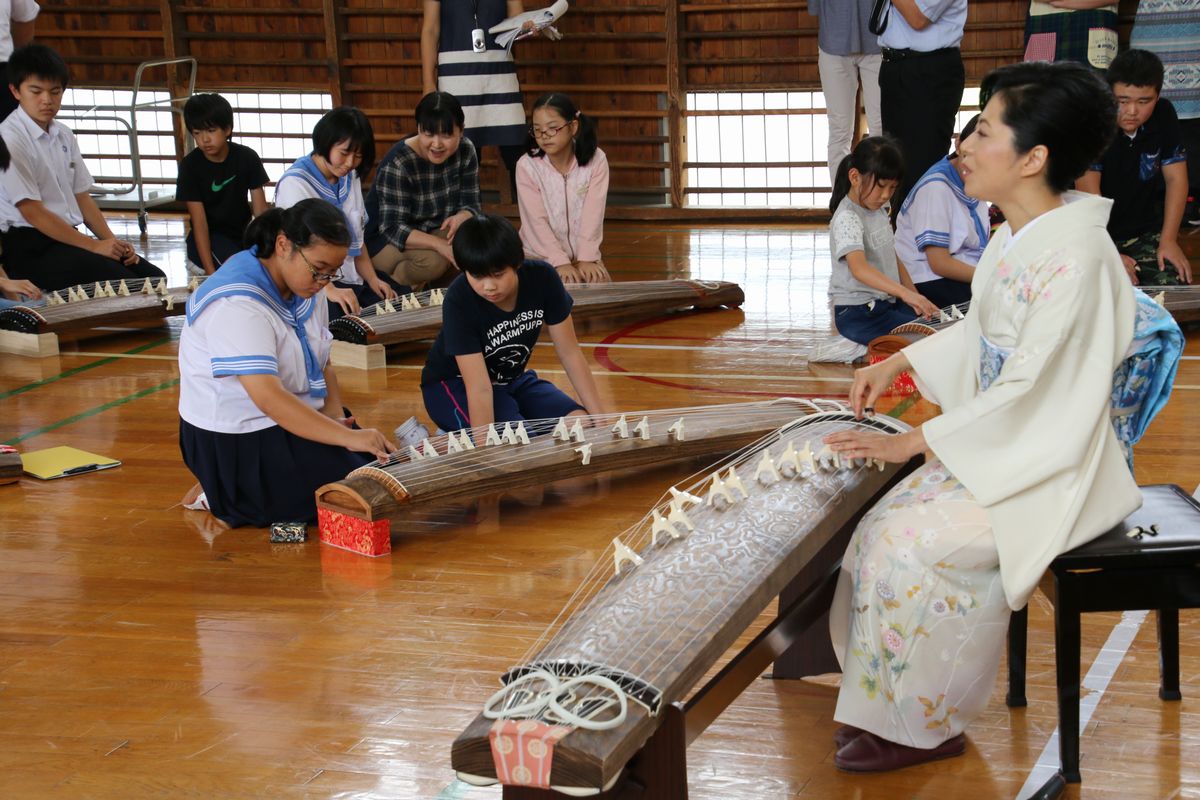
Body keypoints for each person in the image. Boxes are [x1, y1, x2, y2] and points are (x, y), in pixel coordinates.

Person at [822, 61, 1141, 773]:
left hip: (1053, 463)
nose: (963, 145)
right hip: (1006, 444)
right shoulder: (1015, 235)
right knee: (877, 526)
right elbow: (980, 334)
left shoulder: (1077, 258)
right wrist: (894, 365)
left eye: (984, 131)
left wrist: (916, 441)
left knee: (912, 543)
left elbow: (1032, 389)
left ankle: (927, 723)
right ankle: (883, 701)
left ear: (1033, 159)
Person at [178, 199, 394, 529]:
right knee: (351, 496)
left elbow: (324, 363)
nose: (324, 281)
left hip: (288, 415)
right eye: (318, 269)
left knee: (374, 472)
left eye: (331, 273)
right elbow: (269, 399)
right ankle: (220, 491)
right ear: (283, 245)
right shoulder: (237, 301)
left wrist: (338, 421)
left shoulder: (306, 286)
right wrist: (345, 438)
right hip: (239, 437)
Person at [420, 212, 606, 435]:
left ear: (517, 263)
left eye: (498, 274)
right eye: (477, 276)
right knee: (519, 443)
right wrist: (486, 448)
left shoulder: (543, 278)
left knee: (580, 423)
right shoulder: (459, 298)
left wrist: (600, 419)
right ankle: (448, 438)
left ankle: (496, 424)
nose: (489, 286)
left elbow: (570, 353)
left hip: (512, 380)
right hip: (453, 385)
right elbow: (479, 388)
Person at [0, 44, 163, 292]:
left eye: (55, 92)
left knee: (155, 279)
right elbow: (33, 212)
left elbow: (81, 197)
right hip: (30, 246)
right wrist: (94, 246)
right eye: (36, 91)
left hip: (67, 237)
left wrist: (110, 242)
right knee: (133, 287)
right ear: (15, 91)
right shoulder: (10, 137)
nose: (47, 100)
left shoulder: (63, 134)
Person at [276, 106, 404, 317]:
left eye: (358, 156)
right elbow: (297, 253)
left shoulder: (349, 175)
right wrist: (329, 289)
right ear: (325, 142)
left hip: (351, 276)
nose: (350, 163)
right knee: (348, 322)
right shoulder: (295, 183)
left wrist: (372, 279)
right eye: (344, 153)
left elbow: (357, 239)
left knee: (398, 301)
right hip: (314, 283)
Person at [1078, 49, 1191, 286]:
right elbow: (1089, 197)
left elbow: (1176, 180)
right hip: (1090, 232)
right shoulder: (1092, 120)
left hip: (1143, 232)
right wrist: (1109, 254)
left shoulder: (1164, 114)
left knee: (1172, 283)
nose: (1132, 111)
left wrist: (1169, 240)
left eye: (1143, 101)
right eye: (1123, 101)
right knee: (1110, 291)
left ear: (1157, 97)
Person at [363, 91, 481, 290]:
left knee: (474, 242)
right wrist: (439, 245)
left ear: (461, 130)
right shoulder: (399, 162)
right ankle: (398, 286)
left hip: (431, 229)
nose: (437, 144)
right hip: (383, 241)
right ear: (418, 128)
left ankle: (426, 287)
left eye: (447, 134)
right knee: (435, 261)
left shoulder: (466, 149)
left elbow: (473, 204)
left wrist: (463, 215)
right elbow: (392, 228)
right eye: (429, 134)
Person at [828, 135, 938, 346]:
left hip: (886, 303)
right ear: (854, 177)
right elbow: (859, 269)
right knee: (925, 339)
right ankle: (855, 348)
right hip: (858, 313)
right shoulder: (847, 217)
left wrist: (915, 297)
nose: (885, 195)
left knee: (933, 324)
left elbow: (892, 256)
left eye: (892, 188)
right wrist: (905, 294)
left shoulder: (877, 209)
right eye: (881, 186)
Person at [422, 0, 528, 195]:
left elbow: (517, 20)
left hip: (499, 73)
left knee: (517, 152)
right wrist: (428, 81)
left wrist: (528, 27)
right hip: (456, 76)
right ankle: (466, 221)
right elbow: (430, 30)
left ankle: (535, 221)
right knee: (463, 156)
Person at [877, 0, 967, 217]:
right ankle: (902, 242)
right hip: (894, 65)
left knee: (922, 169)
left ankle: (927, 244)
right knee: (896, 166)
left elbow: (917, 18)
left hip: (929, 70)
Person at [894, 114, 988, 308]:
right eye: (969, 155)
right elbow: (939, 263)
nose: (973, 165)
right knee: (995, 305)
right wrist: (988, 276)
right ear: (958, 144)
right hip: (928, 279)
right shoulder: (935, 187)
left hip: (966, 270)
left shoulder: (977, 179)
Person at [516, 92, 610, 285]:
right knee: (558, 295)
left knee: (601, 291)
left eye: (552, 128)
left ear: (573, 127)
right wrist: (559, 262)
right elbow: (536, 222)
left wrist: (587, 258)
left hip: (584, 256)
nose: (544, 137)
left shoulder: (596, 159)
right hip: (539, 256)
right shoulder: (527, 166)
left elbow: (593, 214)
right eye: (537, 130)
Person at [175, 92, 269, 275]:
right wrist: (211, 273)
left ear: (227, 129)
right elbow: (199, 223)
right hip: (208, 239)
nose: (204, 139)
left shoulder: (247, 157)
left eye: (211, 131)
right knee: (240, 271)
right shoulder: (190, 166)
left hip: (241, 235)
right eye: (197, 133)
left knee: (264, 268)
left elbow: (261, 212)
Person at [1130, 0, 1200, 226]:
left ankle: (1191, 202)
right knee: (1148, 117)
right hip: (1152, 37)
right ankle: (1156, 201)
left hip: (1193, 35)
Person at [809, 0, 883, 185]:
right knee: (839, 130)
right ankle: (841, 204)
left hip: (878, 38)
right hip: (833, 40)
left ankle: (882, 202)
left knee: (881, 128)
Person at [1022, 0, 1117, 69]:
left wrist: (1064, 3)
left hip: (1095, 21)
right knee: (1041, 86)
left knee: (1094, 89)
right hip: (1046, 21)